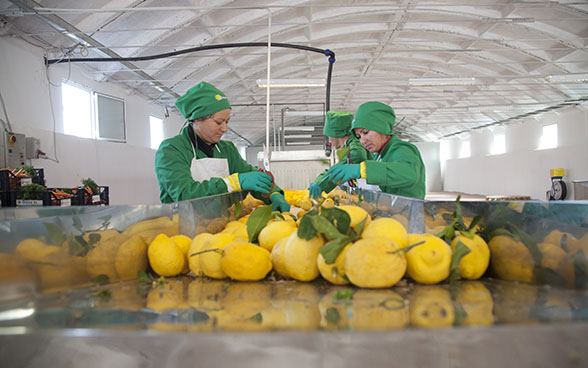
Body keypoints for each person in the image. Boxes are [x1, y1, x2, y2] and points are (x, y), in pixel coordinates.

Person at [154, 81, 290, 211]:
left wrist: (274, 193)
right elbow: (184, 194)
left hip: (222, 225)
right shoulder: (171, 150)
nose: (225, 128)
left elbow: (252, 177)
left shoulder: (227, 149)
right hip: (184, 228)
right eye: (219, 122)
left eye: (227, 121)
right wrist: (233, 182)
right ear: (197, 119)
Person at [326, 101, 426, 199]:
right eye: (358, 136)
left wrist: (361, 170)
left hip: (409, 213)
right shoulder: (379, 155)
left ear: (382, 128)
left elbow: (409, 175)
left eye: (365, 132)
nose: (363, 141)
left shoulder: (402, 149)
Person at [307, 111, 373, 199]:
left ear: (336, 133)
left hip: (372, 195)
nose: (329, 140)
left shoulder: (355, 147)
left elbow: (355, 156)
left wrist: (321, 182)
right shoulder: (351, 144)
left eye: (329, 136)